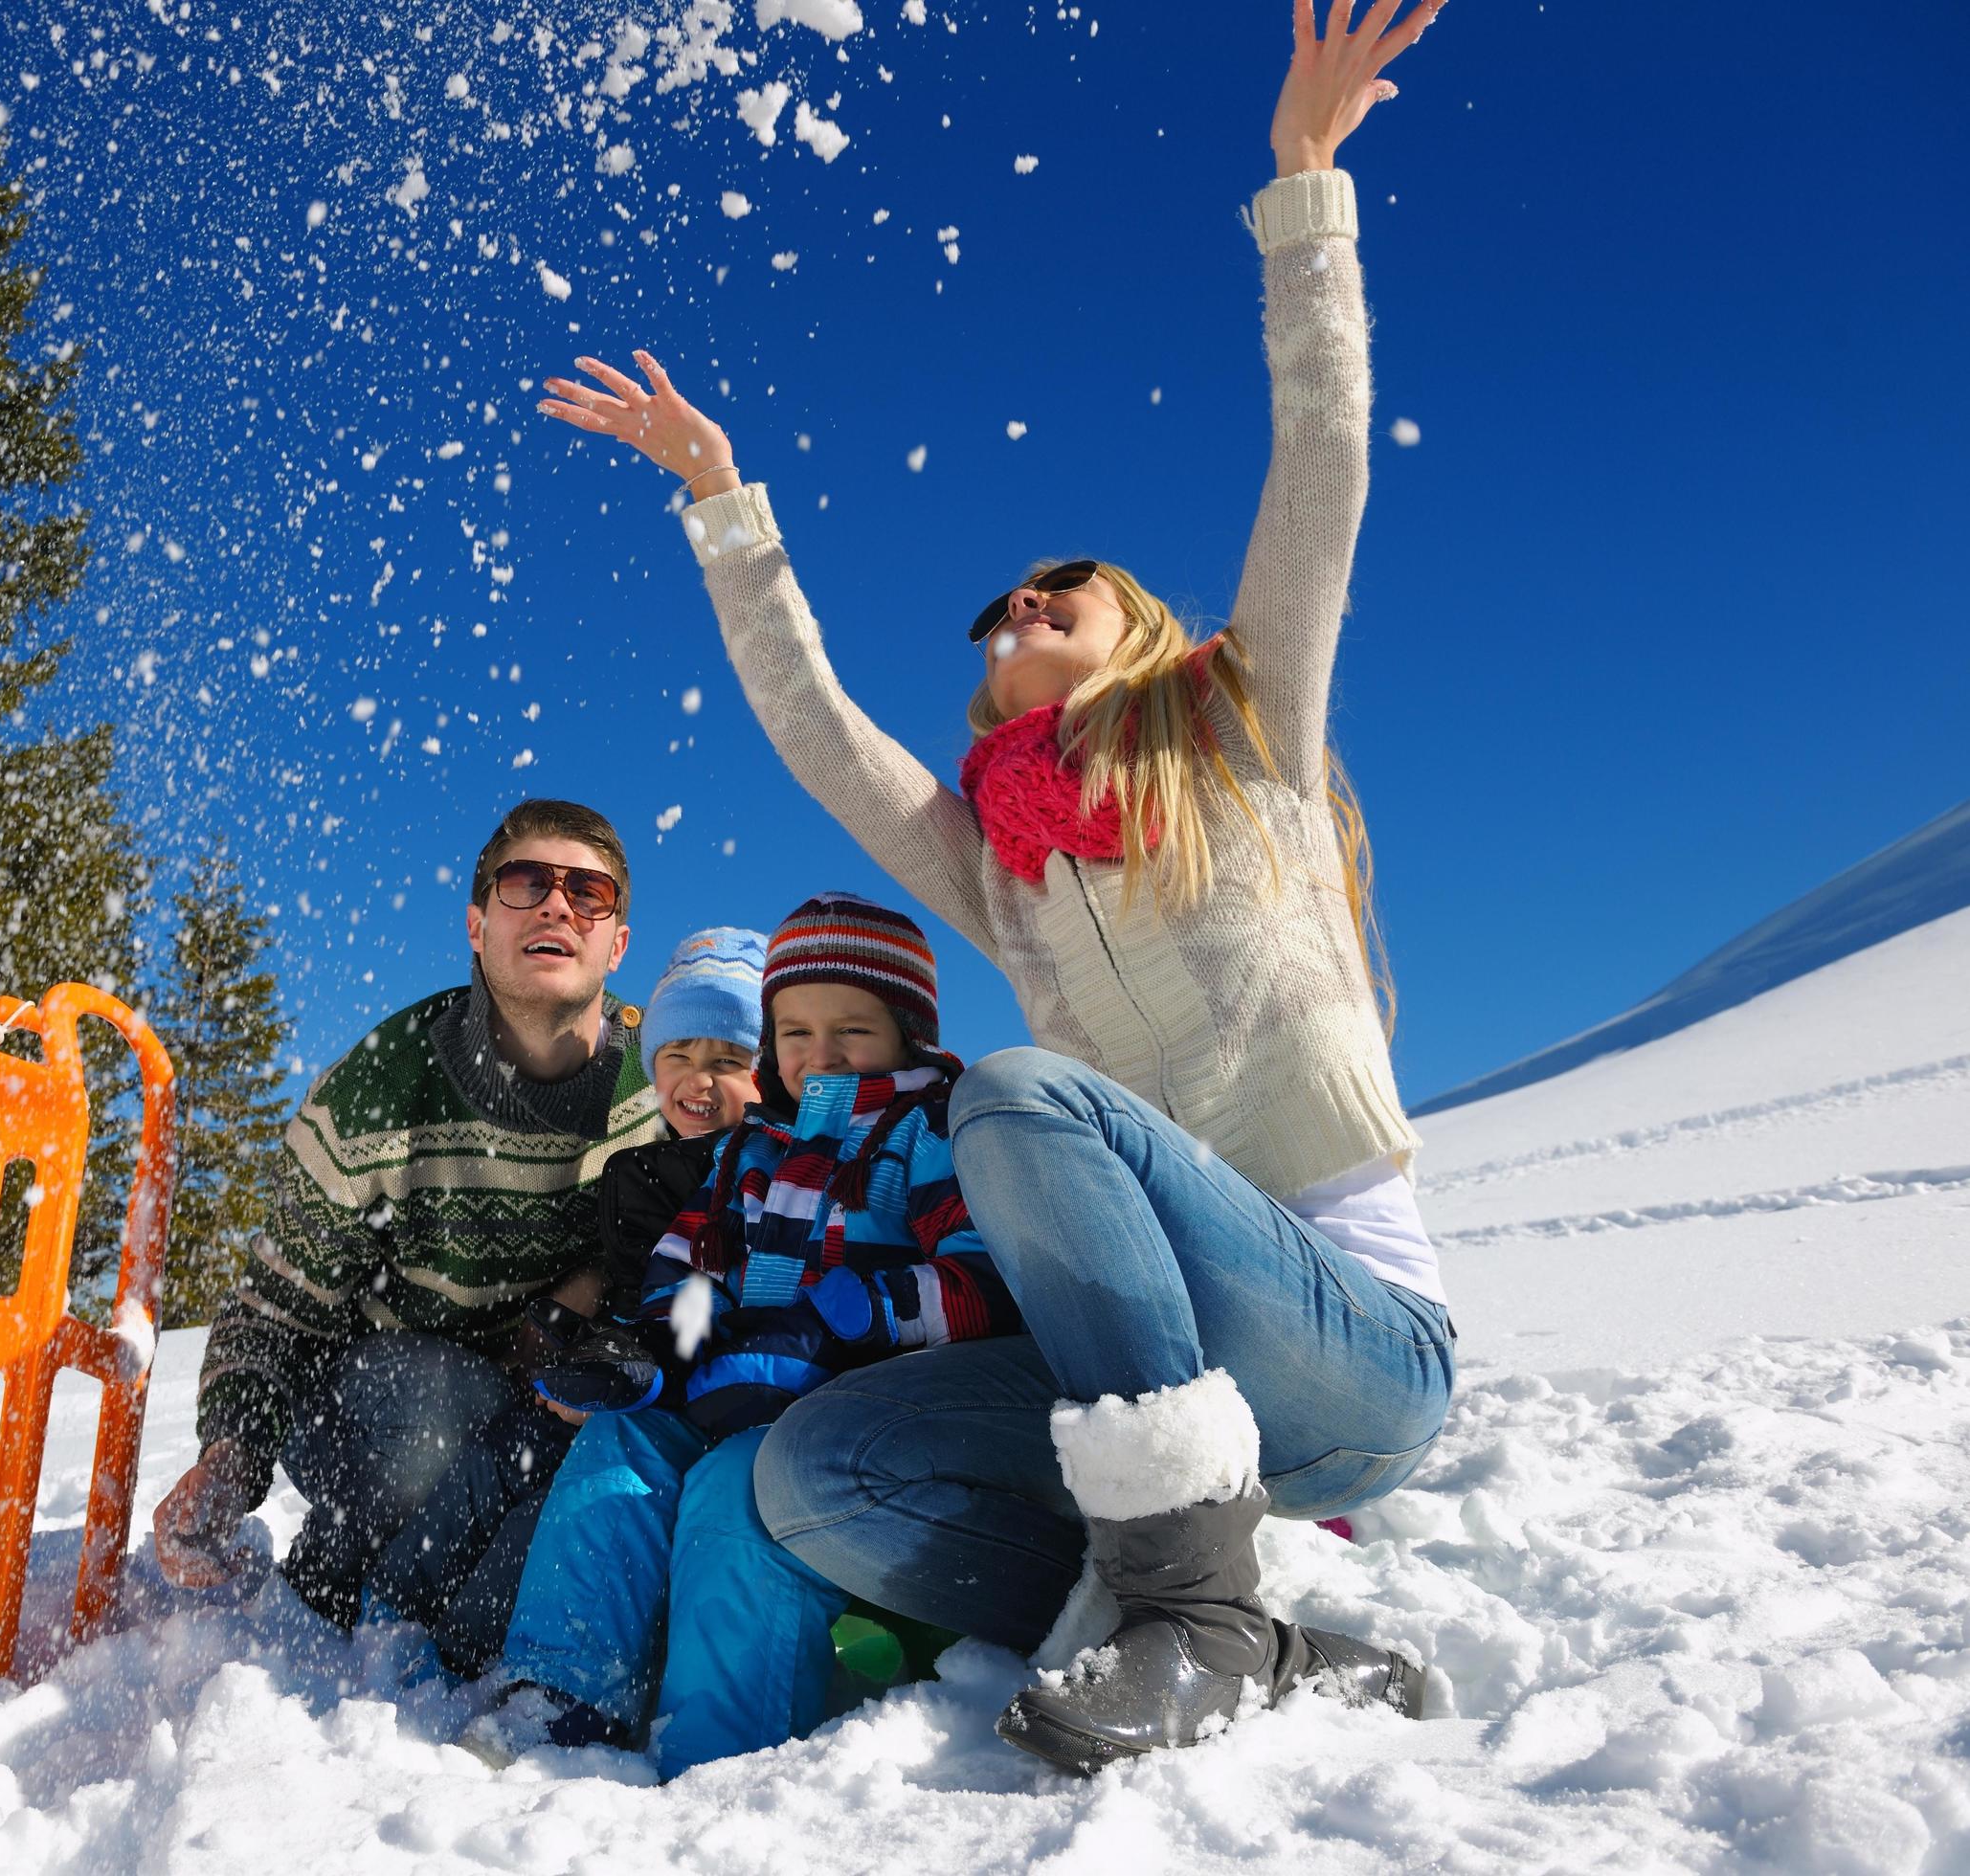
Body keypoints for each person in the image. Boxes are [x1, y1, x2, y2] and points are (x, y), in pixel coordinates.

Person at [532, 0, 1452, 1775]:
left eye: (1060, 588)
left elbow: (1320, 466)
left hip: (1343, 1358)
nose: (1014, 608)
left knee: (1024, 1097)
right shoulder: (999, 862)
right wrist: (725, 503)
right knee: (813, 1469)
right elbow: (816, 731)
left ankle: (1189, 1609)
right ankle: (1243, 1620)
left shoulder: (1245, 735)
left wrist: (1305, 197)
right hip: (1143, 1381)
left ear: (1146, 630)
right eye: (996, 606)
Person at [460, 893, 1022, 1777]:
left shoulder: (927, 1131)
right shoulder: (750, 1151)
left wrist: (879, 1306)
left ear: (908, 1031)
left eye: (852, 1031)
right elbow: (693, 1270)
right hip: (739, 1382)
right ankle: (564, 1687)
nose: (821, 1055)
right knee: (623, 1439)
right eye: (795, 1033)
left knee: (736, 1487)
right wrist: (656, 1349)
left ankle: (719, 1748)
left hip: (860, 1408)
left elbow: (986, 1276)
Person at [148, 800, 660, 1630]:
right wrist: (231, 1459)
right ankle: (340, 1592)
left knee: (600, 1455)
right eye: (526, 883)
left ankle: (480, 1613)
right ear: (476, 923)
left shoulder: (659, 1088)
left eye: (589, 894)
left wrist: (591, 1285)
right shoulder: (378, 1092)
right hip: (379, 1397)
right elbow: (277, 1307)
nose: (558, 906)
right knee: (443, 1414)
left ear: (618, 942)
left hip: (557, 1392)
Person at [351, 927, 767, 1676]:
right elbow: (626, 1279)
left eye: (729, 1062)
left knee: (552, 1510)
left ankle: (460, 1654)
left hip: (678, 1395)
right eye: (677, 1057)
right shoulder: (644, 1170)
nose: (698, 1082)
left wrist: (626, 1382)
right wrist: (578, 1347)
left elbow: (709, 1308)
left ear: (769, 1074)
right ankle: (389, 1605)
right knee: (503, 1449)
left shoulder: (770, 1175)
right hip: (622, 1368)